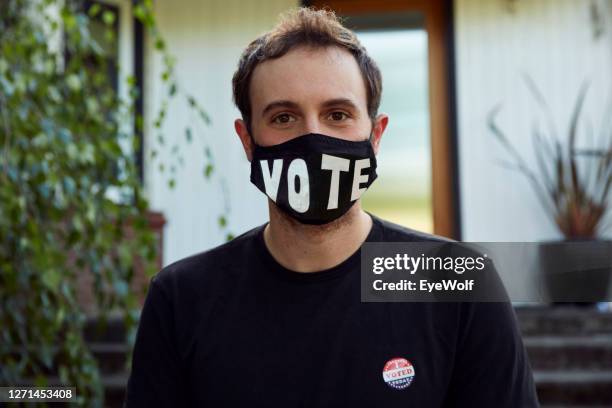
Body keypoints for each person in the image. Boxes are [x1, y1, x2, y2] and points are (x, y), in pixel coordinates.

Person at [125, 7, 539, 407]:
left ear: (375, 136)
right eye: (284, 118)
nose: (313, 137)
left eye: (337, 114)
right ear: (248, 141)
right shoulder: (182, 300)